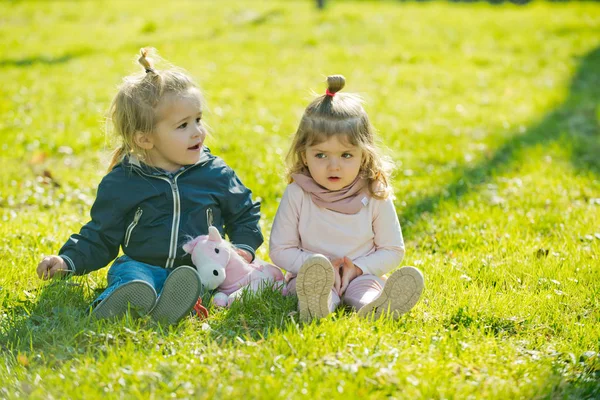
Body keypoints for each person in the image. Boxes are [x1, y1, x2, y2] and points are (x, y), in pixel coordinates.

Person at [36, 48, 263, 325]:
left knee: (195, 280)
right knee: (132, 275)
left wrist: (242, 249)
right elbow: (100, 235)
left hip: (200, 269)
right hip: (142, 265)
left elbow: (244, 213)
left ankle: (178, 300)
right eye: (183, 126)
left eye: (198, 120)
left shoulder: (215, 173)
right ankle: (125, 299)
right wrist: (67, 260)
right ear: (145, 139)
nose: (198, 132)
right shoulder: (124, 181)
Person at [269, 75, 424, 323]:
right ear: (304, 155)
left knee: (366, 289)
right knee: (309, 287)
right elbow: (280, 249)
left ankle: (373, 307)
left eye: (346, 155)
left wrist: (358, 268)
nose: (334, 166)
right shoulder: (298, 192)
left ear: (364, 154)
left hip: (361, 272)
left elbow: (392, 249)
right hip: (310, 274)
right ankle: (318, 305)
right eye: (321, 155)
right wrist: (319, 267)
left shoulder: (374, 193)